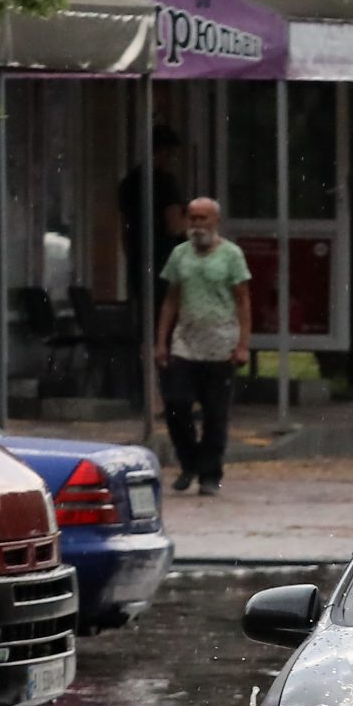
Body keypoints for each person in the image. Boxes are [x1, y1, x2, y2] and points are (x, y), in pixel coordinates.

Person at [155, 197, 251, 496]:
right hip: (186, 343)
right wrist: (162, 342)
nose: (197, 225)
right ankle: (188, 463)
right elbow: (171, 300)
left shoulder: (231, 255)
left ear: (215, 222)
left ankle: (210, 474)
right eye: (192, 219)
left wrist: (243, 344)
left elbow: (243, 300)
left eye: (203, 219)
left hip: (221, 345)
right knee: (176, 404)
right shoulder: (179, 255)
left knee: (215, 414)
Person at [118, 127, 186, 303]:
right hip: (166, 260)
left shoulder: (129, 182)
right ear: (163, 151)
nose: (173, 159)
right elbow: (174, 225)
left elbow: (125, 229)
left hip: (139, 261)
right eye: (171, 154)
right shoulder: (165, 183)